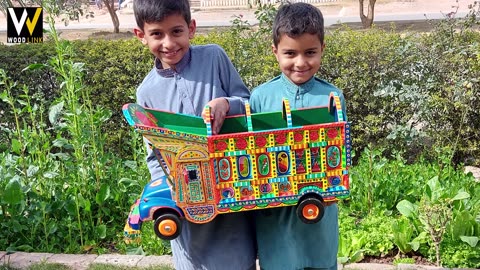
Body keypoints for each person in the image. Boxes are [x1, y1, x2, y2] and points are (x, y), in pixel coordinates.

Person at [132, 0, 256, 269]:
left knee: (238, 260)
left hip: (228, 186)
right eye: (157, 34)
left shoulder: (214, 57)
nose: (168, 43)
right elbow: (154, 154)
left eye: (176, 31)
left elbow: (247, 104)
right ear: (141, 36)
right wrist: (168, 192)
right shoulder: (146, 92)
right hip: (187, 199)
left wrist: (226, 103)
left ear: (191, 28)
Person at [249, 2, 347, 270]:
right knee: (280, 262)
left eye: (310, 52)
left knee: (320, 262)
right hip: (275, 213)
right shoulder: (259, 98)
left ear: (322, 50)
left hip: (319, 208)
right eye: (290, 53)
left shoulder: (332, 97)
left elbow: (340, 148)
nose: (300, 62)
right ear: (275, 52)